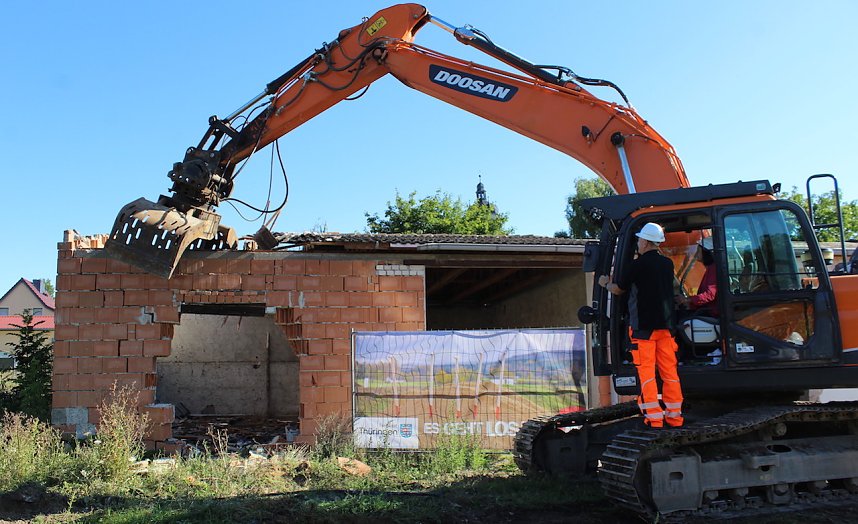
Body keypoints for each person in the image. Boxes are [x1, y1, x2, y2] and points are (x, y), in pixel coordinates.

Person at [599, 222, 684, 428]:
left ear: (645, 241)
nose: (637, 243)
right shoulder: (667, 264)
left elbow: (619, 289)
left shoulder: (637, 265)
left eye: (639, 240)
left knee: (647, 373)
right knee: (669, 372)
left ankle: (654, 420)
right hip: (666, 327)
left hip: (643, 329)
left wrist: (604, 283)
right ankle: (674, 417)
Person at [675, 236, 718, 317]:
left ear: (706, 252)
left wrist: (688, 300)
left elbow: (710, 295)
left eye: (698, 251)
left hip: (711, 313)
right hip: (706, 310)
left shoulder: (714, 269)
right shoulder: (711, 268)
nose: (696, 254)